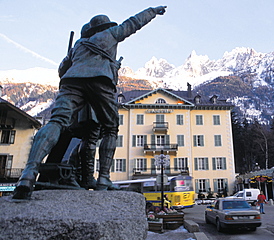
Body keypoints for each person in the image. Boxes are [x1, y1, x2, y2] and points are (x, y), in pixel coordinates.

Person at [13, 6, 167, 200]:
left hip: (72, 81)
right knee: (111, 128)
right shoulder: (111, 34)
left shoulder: (78, 45)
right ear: (104, 27)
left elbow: (62, 70)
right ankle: (103, 179)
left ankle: (28, 174)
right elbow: (133, 23)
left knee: (57, 122)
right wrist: (152, 11)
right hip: (99, 81)